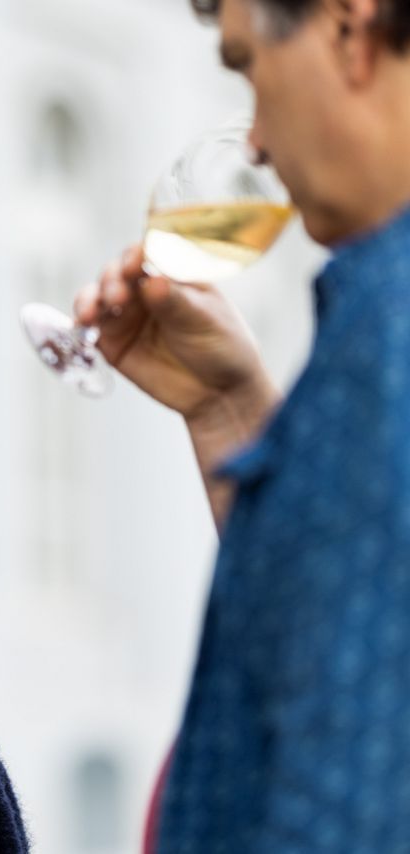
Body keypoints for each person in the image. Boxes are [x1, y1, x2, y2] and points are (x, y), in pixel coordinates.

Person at [73, 0, 410, 849]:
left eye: (247, 66)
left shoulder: (389, 333)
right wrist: (229, 410)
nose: (254, 141)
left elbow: (348, 790)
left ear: (348, 28)